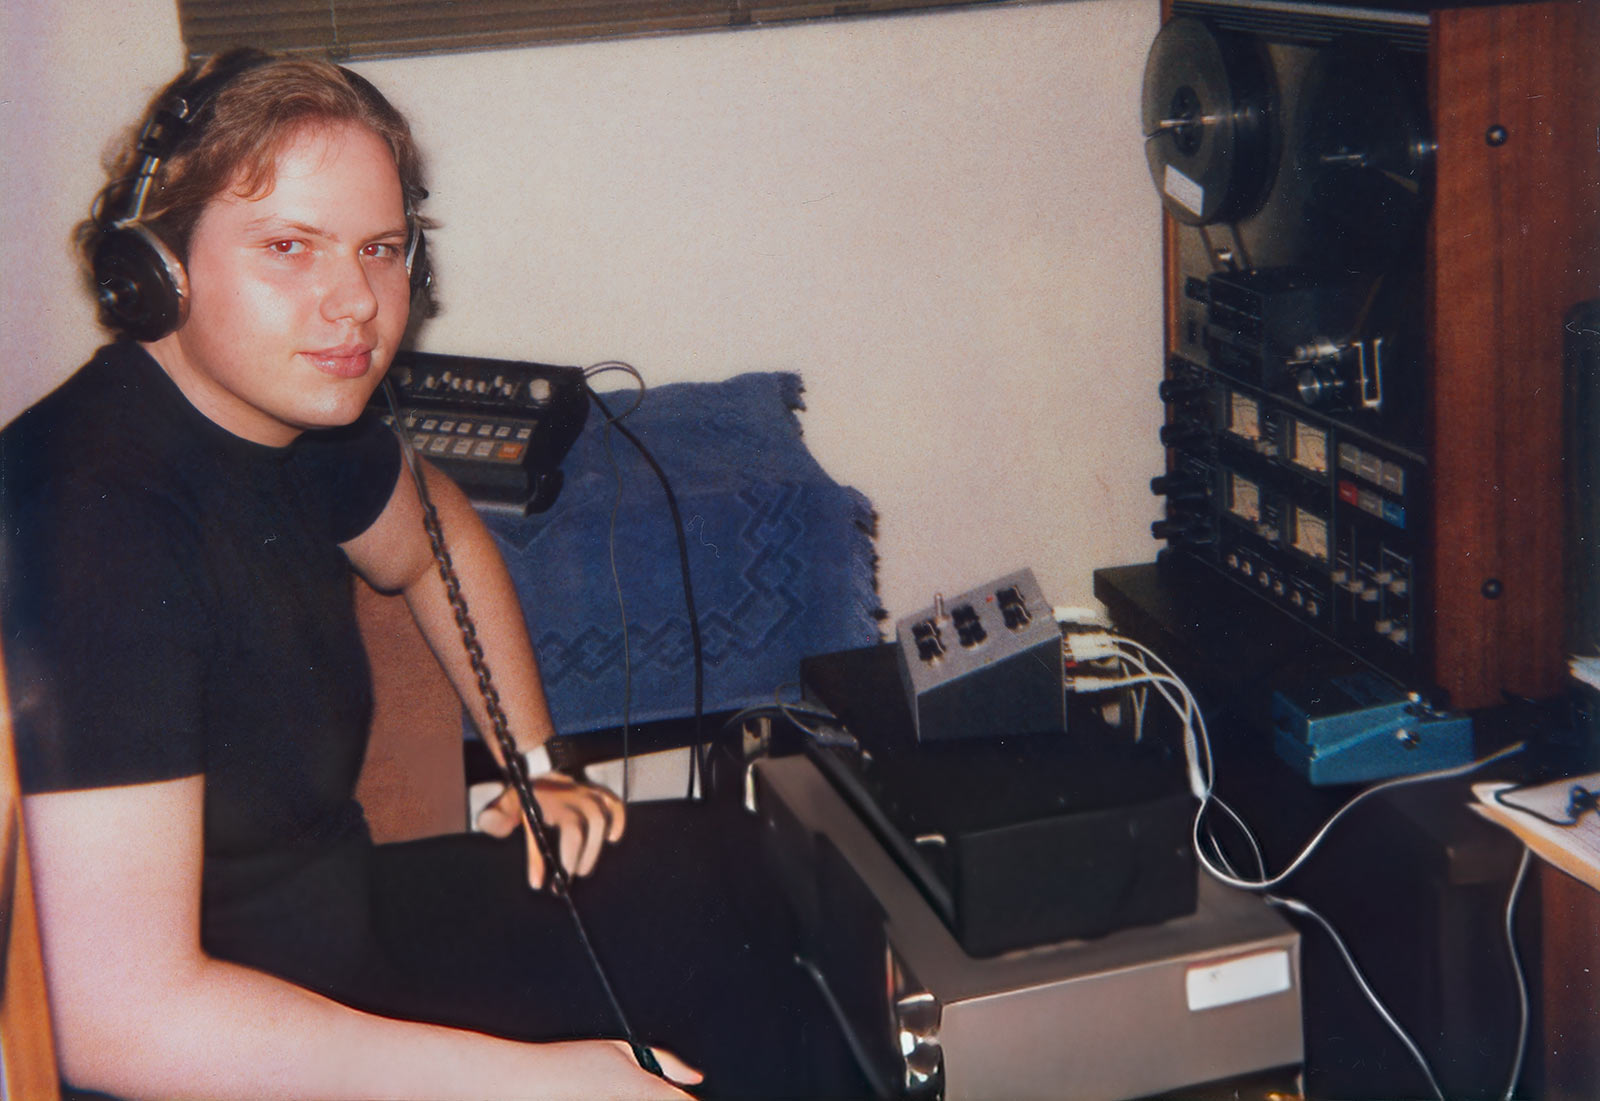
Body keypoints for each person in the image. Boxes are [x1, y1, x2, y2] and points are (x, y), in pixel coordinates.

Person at [1, 48, 844, 1100]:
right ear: (156, 269)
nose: (354, 301)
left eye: (382, 249)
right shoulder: (92, 519)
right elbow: (120, 1023)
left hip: (343, 936)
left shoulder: (293, 413)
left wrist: (536, 766)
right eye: (289, 247)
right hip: (230, 1046)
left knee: (729, 873)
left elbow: (434, 530)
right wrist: (533, 1083)